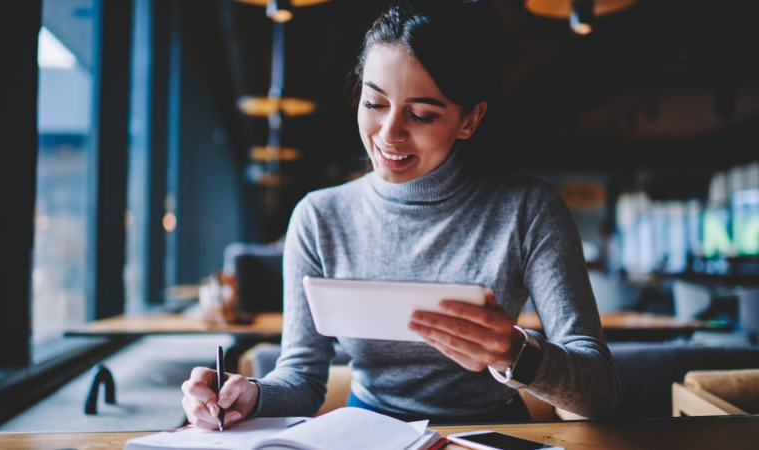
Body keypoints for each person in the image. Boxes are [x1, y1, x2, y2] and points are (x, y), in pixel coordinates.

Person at [181, 0, 620, 428]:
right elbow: (302, 376)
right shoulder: (319, 217)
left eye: (422, 114)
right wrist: (248, 397)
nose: (389, 134)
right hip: (366, 434)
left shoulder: (527, 210)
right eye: (374, 104)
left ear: (470, 120)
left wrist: (516, 353)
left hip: (491, 434)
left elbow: (599, 392)